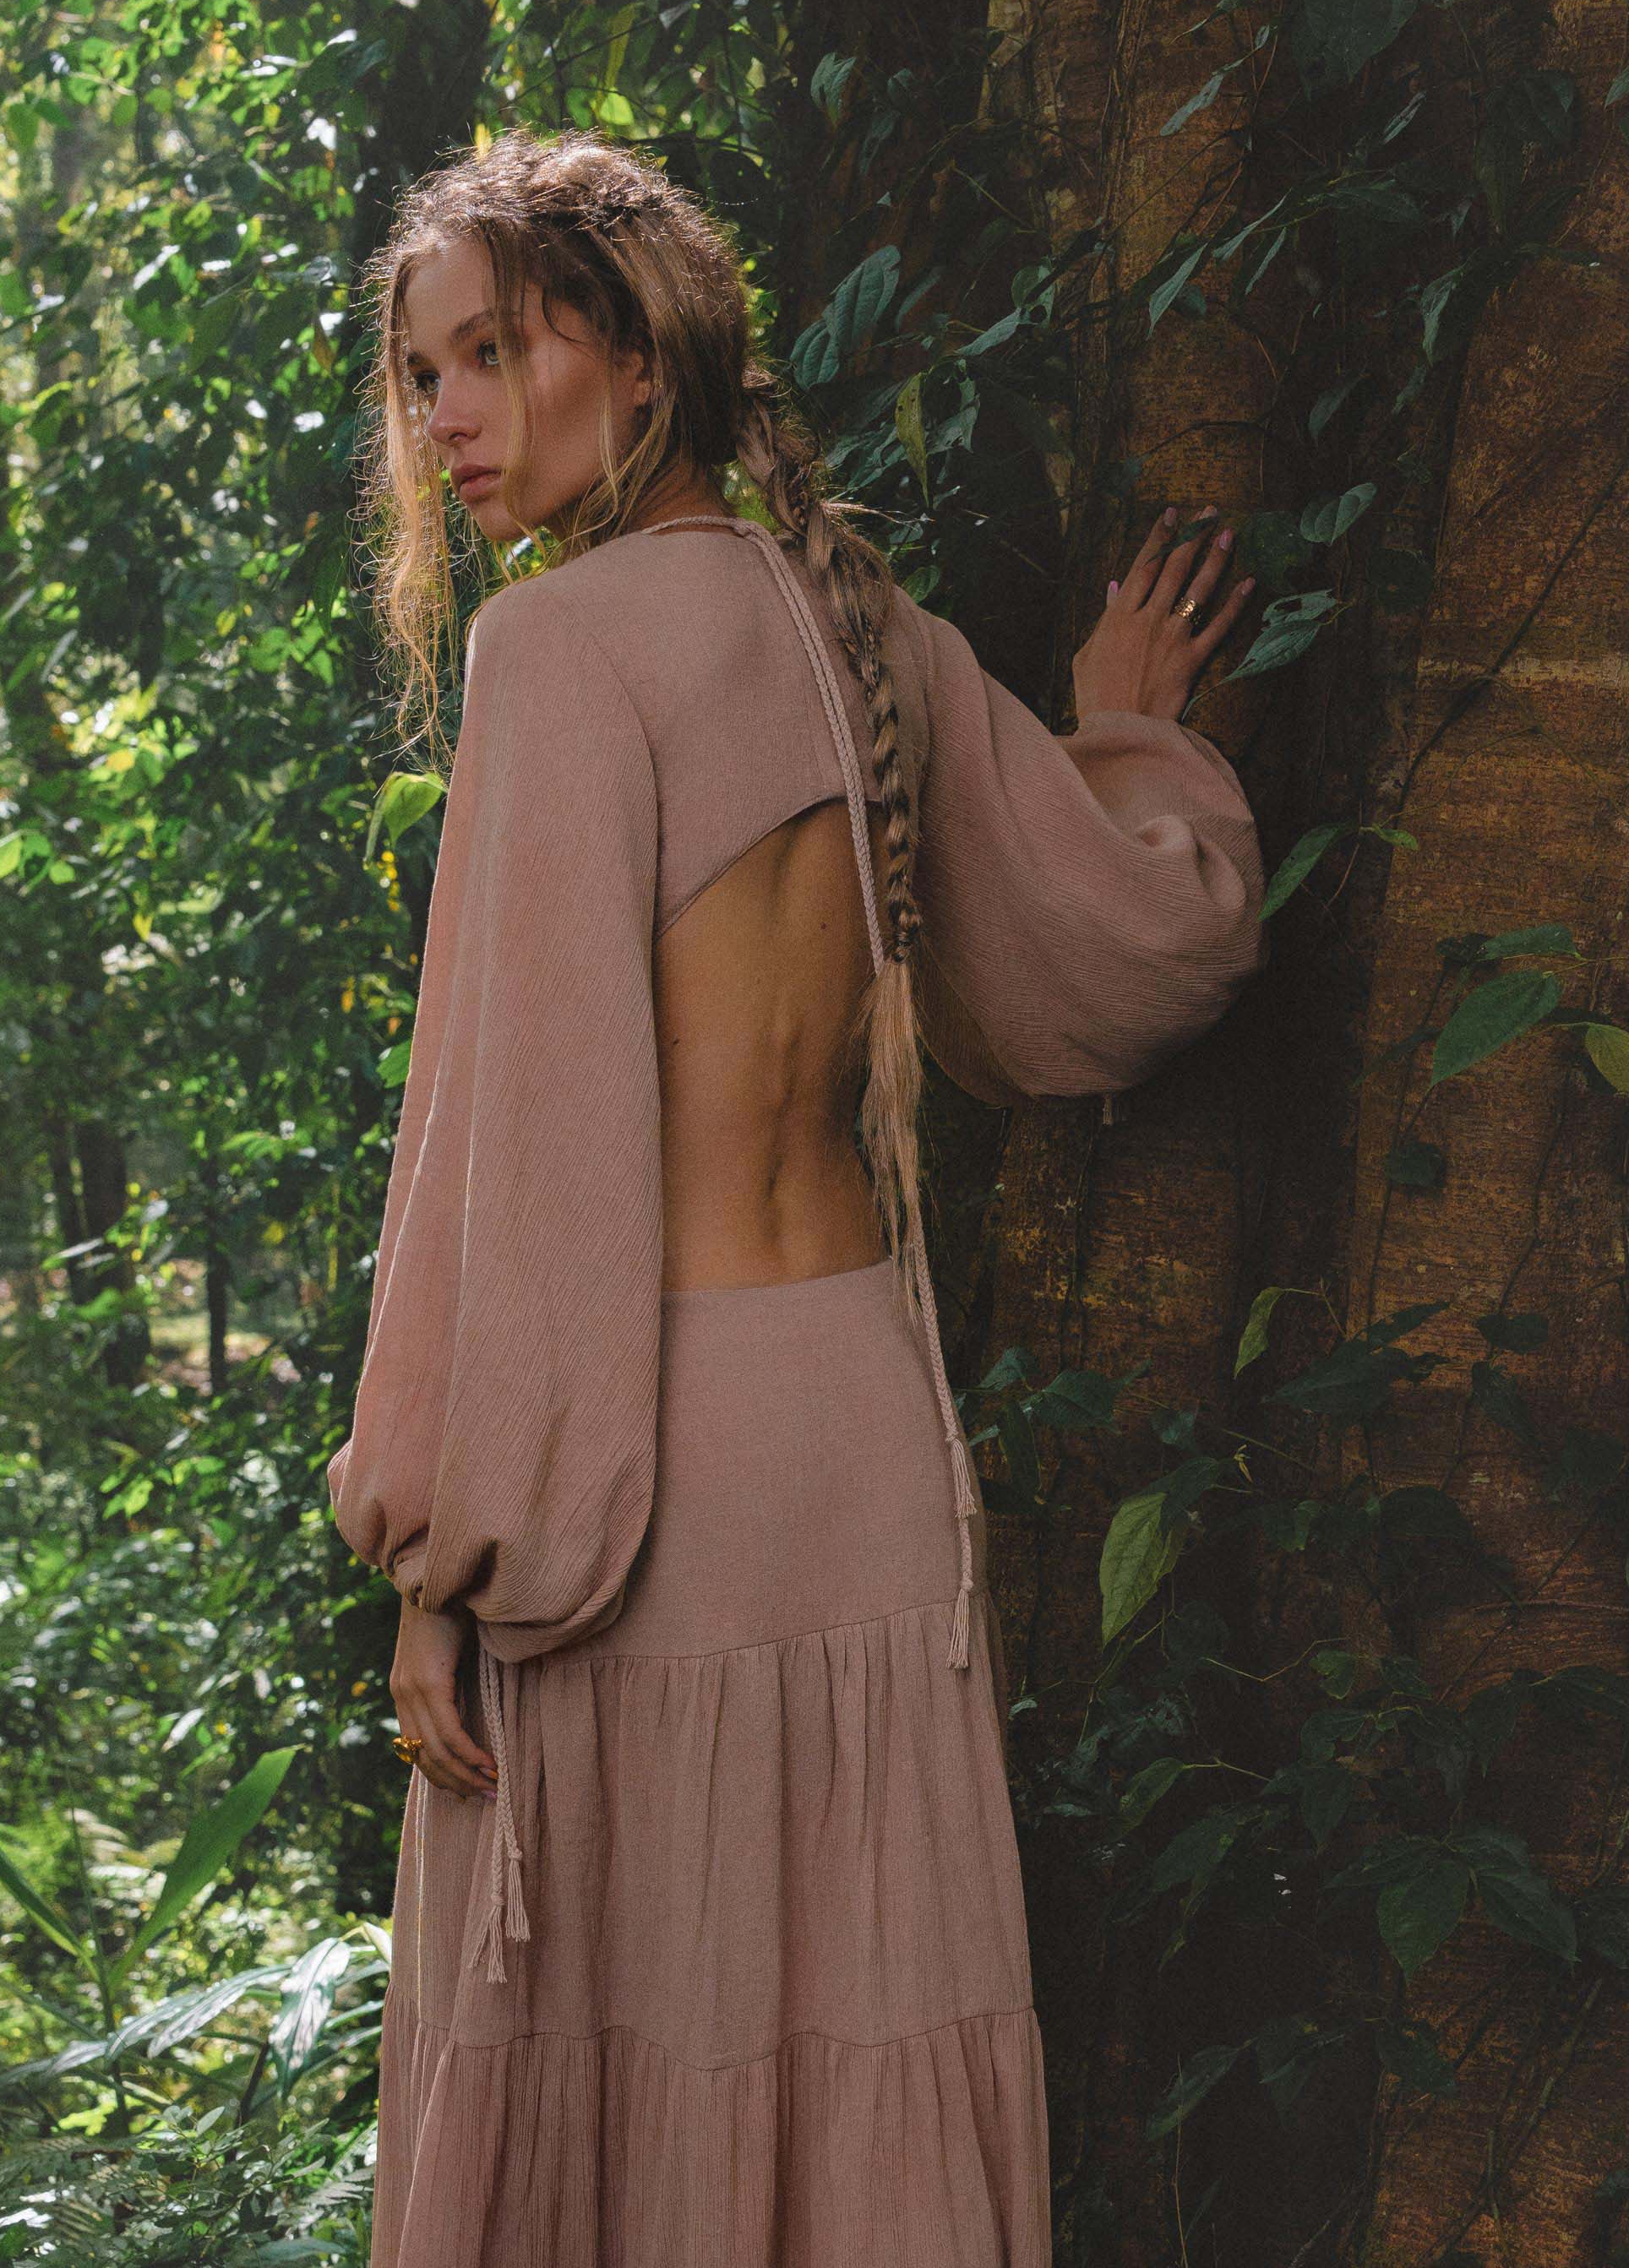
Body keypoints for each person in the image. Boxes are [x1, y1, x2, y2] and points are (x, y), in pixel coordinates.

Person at [325, 123, 1267, 2267]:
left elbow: (517, 1148)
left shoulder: (556, 658)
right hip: (855, 1432)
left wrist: (451, 1549)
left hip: (643, 1479)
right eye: (419, 377)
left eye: (488, 353)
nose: (448, 416)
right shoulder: (865, 633)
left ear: (630, 352)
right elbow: (1133, 961)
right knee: (843, 2046)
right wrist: (1124, 738)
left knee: (612, 2082)